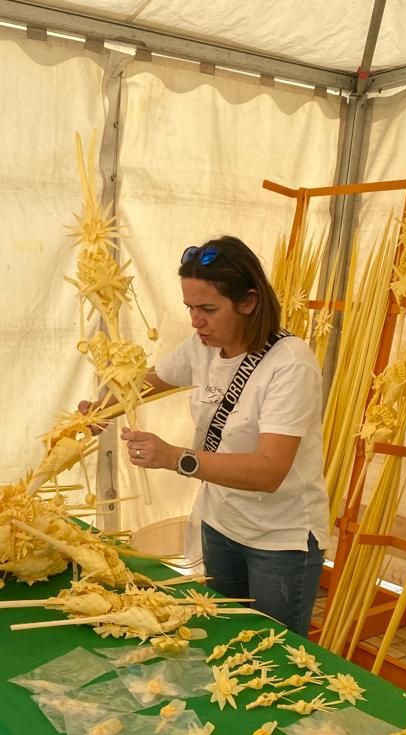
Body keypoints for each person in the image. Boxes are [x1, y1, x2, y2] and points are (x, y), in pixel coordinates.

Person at [80, 236, 328, 635]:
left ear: (248, 302)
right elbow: (149, 381)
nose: (196, 321)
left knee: (274, 653)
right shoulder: (203, 346)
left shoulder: (290, 365)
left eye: (208, 309)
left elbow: (269, 471)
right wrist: (105, 405)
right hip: (220, 522)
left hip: (278, 538)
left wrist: (175, 457)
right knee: (224, 636)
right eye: (190, 308)